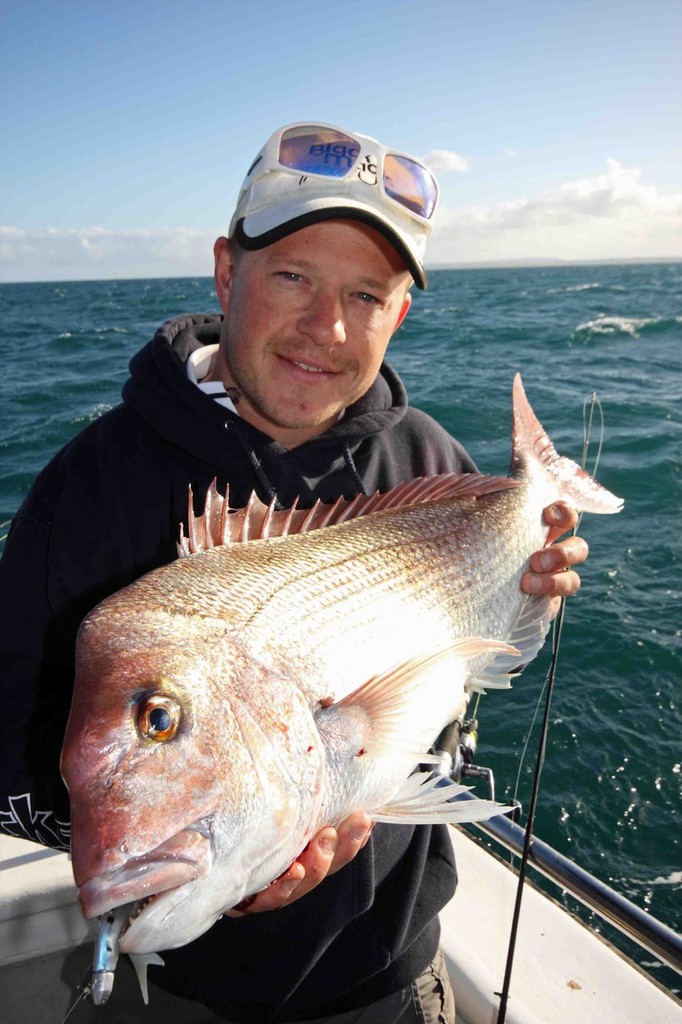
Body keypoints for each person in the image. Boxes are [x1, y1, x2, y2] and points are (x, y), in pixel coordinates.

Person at [0, 122, 588, 1023]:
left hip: (390, 980)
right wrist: (221, 856)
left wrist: (531, 588)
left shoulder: (431, 460)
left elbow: (467, 670)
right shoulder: (91, 488)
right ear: (227, 272)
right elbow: (10, 746)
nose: (329, 327)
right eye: (292, 278)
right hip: (181, 996)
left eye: (367, 293)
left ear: (399, 314)